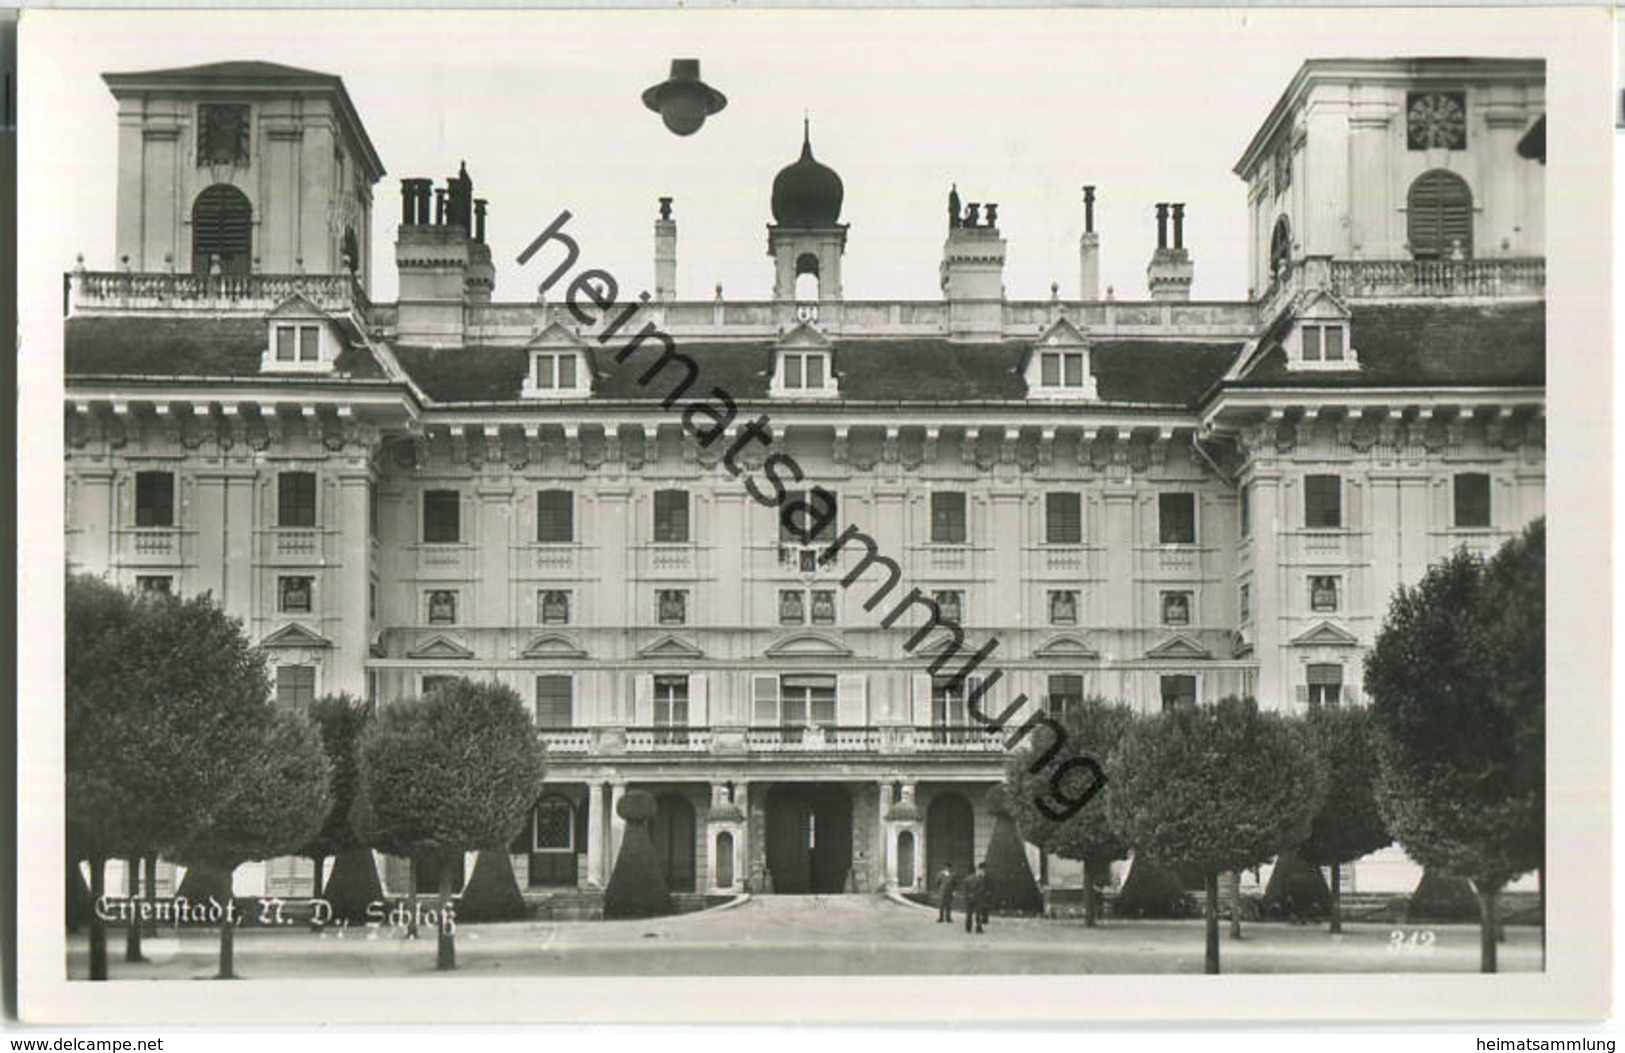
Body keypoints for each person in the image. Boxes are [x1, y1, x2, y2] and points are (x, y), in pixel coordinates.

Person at [963, 863, 989, 935]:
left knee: (969, 914)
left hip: (969, 899)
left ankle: (968, 928)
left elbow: (965, 891)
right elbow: (981, 889)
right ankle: (978, 928)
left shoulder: (966, 879)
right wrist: (975, 894)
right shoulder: (979, 879)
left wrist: (967, 897)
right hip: (977, 899)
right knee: (978, 914)